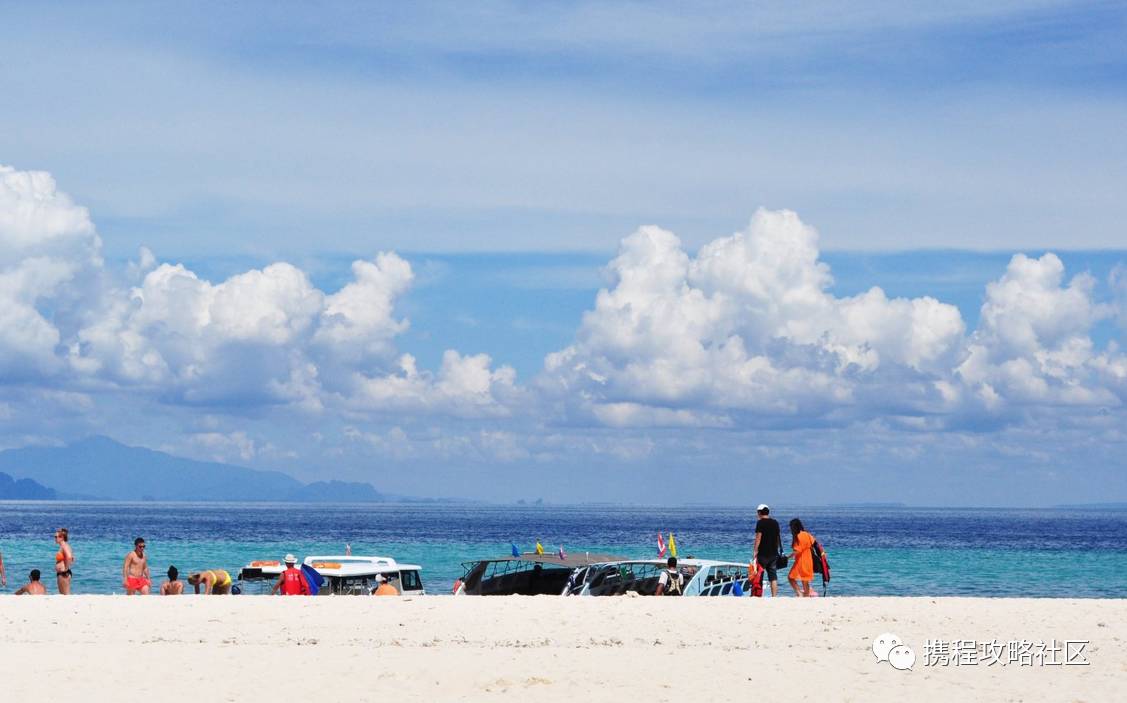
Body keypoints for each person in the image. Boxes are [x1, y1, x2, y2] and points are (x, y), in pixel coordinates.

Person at [753, 504, 782, 597]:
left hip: (762, 554)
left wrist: (755, 551)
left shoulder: (760, 523)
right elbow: (778, 538)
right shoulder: (775, 523)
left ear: (759, 512)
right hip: (773, 553)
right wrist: (776, 549)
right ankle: (774, 597)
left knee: (759, 575)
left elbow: (758, 538)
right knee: (773, 577)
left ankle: (758, 595)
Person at [787, 518, 815, 597]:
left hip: (801, 561)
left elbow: (797, 551)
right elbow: (813, 542)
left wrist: (787, 557)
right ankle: (806, 595)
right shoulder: (807, 534)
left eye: (791, 527)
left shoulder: (798, 536)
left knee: (790, 577)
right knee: (805, 580)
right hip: (809, 559)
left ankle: (799, 593)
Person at [55, 528, 74, 595]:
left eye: (56, 537)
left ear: (62, 537)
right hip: (62, 573)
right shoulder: (64, 546)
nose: (55, 538)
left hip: (64, 574)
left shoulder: (64, 546)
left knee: (65, 595)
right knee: (63, 595)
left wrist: (65, 569)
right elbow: (72, 558)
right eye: (55, 537)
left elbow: (69, 557)